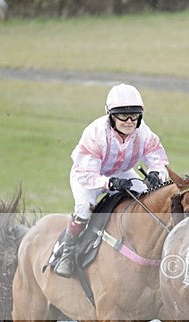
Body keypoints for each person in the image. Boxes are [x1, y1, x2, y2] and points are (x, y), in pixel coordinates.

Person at [54, 83, 170, 278]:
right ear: (111, 115)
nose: (129, 121)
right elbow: (87, 175)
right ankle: (67, 252)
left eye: (134, 115)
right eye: (123, 115)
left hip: (122, 173)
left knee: (146, 197)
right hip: (88, 176)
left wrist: (156, 174)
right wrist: (110, 183)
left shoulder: (144, 133)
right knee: (84, 208)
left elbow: (158, 158)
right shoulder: (95, 134)